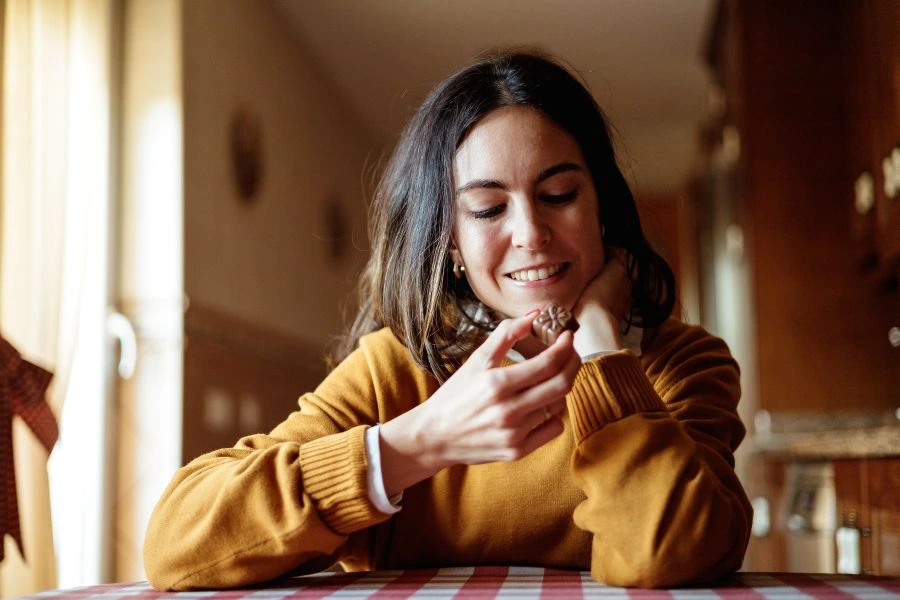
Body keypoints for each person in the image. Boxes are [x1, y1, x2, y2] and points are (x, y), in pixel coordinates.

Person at [143, 50, 752, 590]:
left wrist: (598, 342)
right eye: (488, 208)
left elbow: (675, 549)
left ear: (602, 211)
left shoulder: (682, 362)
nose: (531, 233)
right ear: (452, 246)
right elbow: (177, 544)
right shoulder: (392, 370)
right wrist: (416, 443)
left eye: (559, 195)